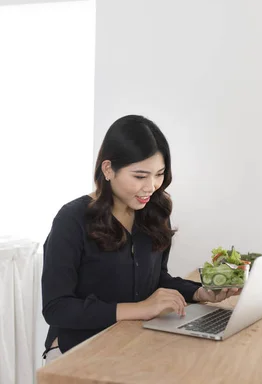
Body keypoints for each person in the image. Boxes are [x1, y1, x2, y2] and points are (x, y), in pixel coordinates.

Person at [41, 115, 238, 365]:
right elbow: (57, 308)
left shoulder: (154, 213)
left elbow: (156, 280)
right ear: (108, 169)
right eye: (140, 176)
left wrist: (200, 293)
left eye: (159, 174)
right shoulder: (71, 219)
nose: (151, 186)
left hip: (133, 342)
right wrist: (142, 308)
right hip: (77, 350)